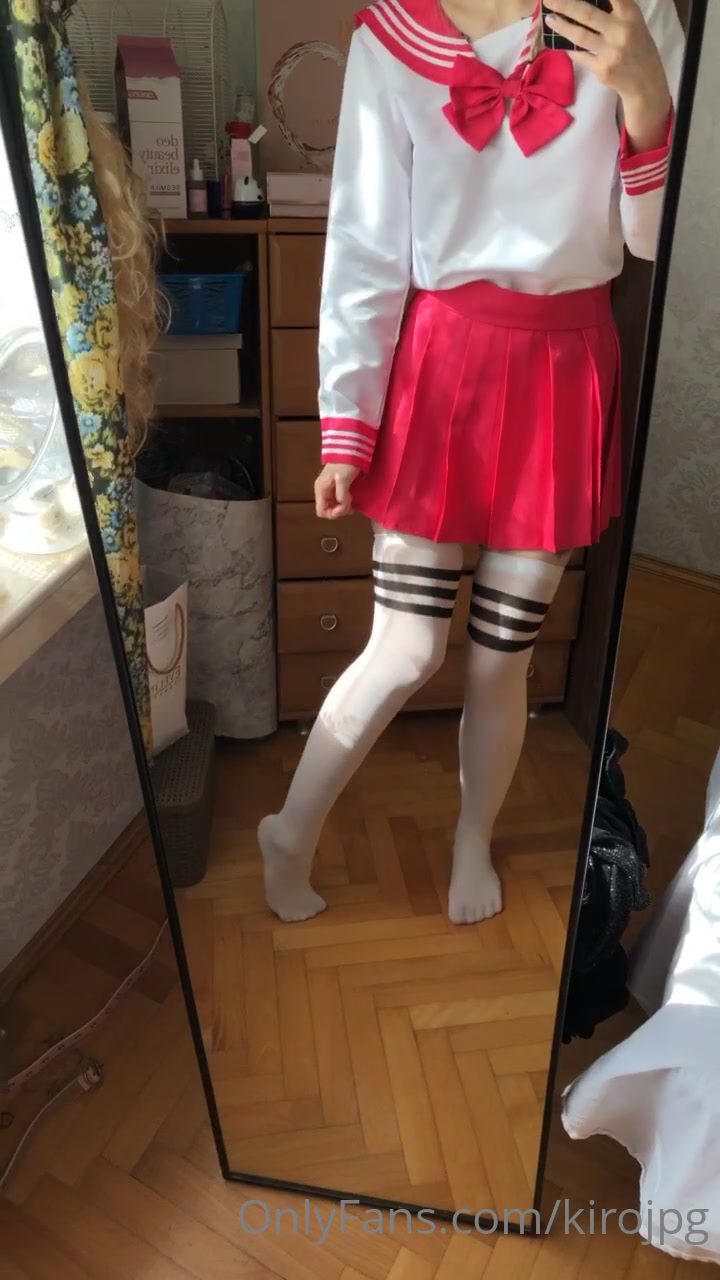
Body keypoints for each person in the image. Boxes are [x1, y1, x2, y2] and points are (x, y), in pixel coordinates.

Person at [259, 0, 685, 925]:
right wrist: (347, 424)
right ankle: (288, 832)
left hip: (564, 369)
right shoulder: (391, 38)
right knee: (405, 647)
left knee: (502, 657)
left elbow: (654, 240)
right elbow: (364, 247)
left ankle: (471, 839)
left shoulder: (633, 13)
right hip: (441, 368)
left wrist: (648, 103)